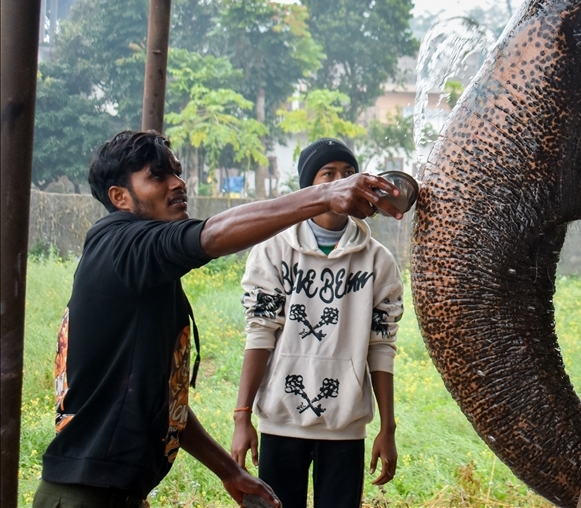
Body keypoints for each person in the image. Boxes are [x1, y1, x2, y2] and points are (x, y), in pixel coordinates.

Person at [33, 130, 403, 508]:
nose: (178, 184)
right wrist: (324, 196)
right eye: (158, 176)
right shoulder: (121, 245)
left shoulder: (143, 275)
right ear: (120, 197)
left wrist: (229, 471)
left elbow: (166, 404)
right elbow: (210, 236)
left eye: (177, 173)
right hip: (84, 496)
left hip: (117, 493)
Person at [230, 138, 403, 508]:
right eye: (329, 173)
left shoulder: (378, 261)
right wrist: (242, 417)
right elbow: (260, 332)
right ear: (310, 186)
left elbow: (381, 345)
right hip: (281, 421)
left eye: (349, 173)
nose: (341, 181)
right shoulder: (272, 251)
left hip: (345, 427)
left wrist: (387, 427)